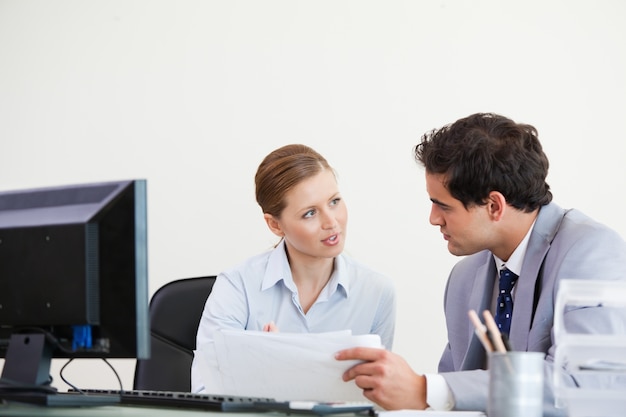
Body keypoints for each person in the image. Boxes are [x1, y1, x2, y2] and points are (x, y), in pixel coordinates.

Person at [335, 113, 626, 415]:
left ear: (494, 206)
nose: (433, 218)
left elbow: (581, 386)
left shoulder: (592, 252)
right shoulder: (464, 278)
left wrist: (425, 389)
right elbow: (454, 397)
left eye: (443, 205)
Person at [191, 143, 396, 393]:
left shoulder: (376, 292)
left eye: (334, 202)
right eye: (310, 213)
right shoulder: (237, 286)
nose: (331, 222)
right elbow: (206, 393)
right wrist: (266, 367)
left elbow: (376, 396)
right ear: (275, 225)